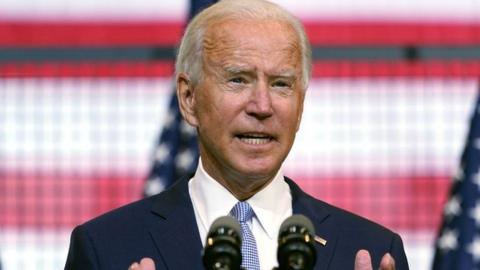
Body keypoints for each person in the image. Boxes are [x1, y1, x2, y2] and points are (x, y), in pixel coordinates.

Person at [65, 0, 409, 269]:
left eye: (280, 84)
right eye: (238, 79)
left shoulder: (370, 250)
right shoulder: (106, 248)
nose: (262, 105)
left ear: (301, 105)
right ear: (189, 98)